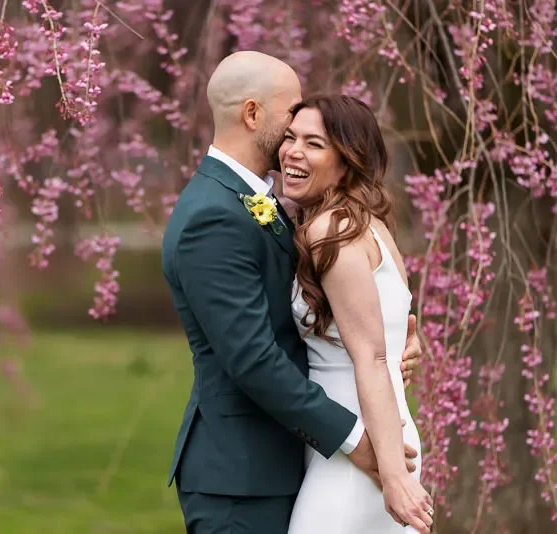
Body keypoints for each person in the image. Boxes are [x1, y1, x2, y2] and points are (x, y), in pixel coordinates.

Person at [161, 50, 428, 534]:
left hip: (287, 462)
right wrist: (358, 442)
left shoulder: (266, 203)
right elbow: (253, 359)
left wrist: (390, 348)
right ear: (252, 114)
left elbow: (319, 310)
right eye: (291, 116)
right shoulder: (212, 216)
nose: (293, 139)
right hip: (241, 478)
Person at [282, 94, 431, 534]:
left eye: (313, 143)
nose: (292, 151)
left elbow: (372, 357)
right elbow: (396, 326)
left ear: (347, 162)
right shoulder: (368, 223)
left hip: (364, 449)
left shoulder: (334, 232)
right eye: (290, 138)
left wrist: (392, 476)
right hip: (360, 439)